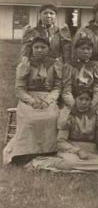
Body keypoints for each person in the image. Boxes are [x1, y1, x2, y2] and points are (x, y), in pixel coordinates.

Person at [3, 36, 62, 164]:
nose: (39, 50)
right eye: (36, 47)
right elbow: (19, 89)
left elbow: (57, 87)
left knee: (52, 116)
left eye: (43, 47)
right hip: (28, 98)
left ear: (49, 49)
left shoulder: (55, 64)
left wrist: (48, 101)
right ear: (32, 49)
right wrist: (32, 101)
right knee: (30, 118)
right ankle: (26, 152)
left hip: (47, 98)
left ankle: (48, 151)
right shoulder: (25, 64)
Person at [27, 88, 98, 172]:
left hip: (91, 151)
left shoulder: (97, 113)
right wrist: (78, 151)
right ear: (75, 99)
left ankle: (81, 167)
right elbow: (61, 142)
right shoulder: (68, 114)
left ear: (91, 101)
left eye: (87, 99)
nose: (84, 102)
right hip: (71, 150)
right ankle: (46, 162)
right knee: (70, 163)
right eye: (81, 99)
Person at [61, 37, 98, 108]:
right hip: (73, 100)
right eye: (82, 49)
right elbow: (66, 90)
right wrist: (74, 105)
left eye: (88, 49)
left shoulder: (95, 66)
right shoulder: (69, 66)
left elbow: (97, 89)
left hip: (90, 100)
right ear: (76, 50)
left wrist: (91, 104)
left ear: (92, 51)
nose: (85, 51)